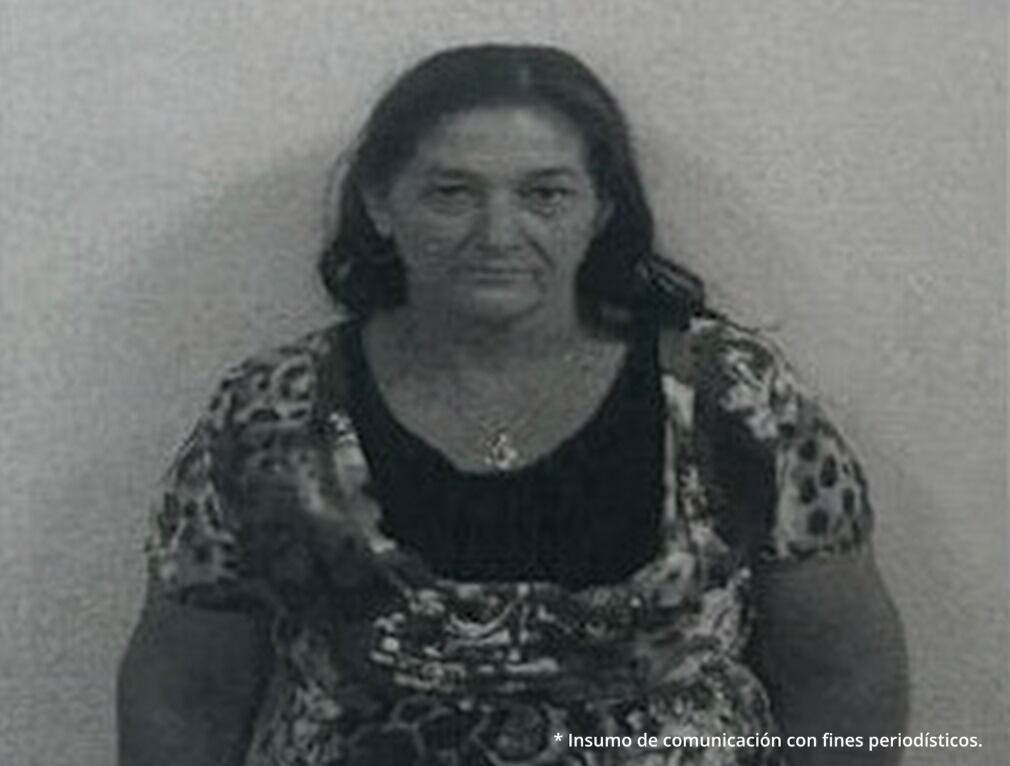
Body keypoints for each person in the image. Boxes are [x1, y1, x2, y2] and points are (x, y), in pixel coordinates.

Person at [117, 44, 908, 766]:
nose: (498, 233)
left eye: (545, 194)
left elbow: (844, 678)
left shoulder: (732, 397)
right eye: (451, 193)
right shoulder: (271, 416)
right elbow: (184, 699)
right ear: (381, 204)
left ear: (601, 210)